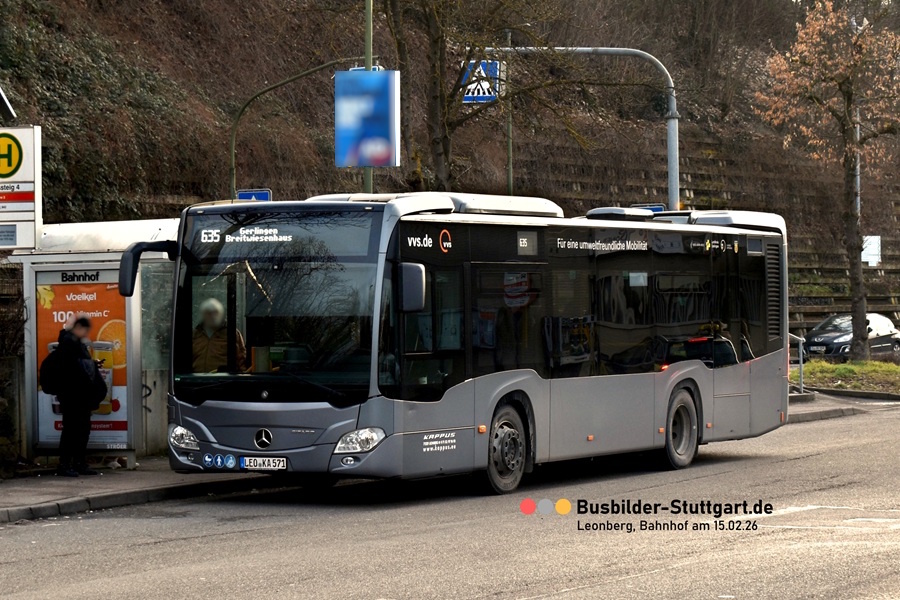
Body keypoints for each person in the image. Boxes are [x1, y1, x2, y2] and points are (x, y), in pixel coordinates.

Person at [56, 316, 101, 477]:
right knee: (73, 430)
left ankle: (77, 462)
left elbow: (79, 364)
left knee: (80, 429)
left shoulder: (74, 342)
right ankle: (67, 464)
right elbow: (72, 367)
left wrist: (92, 364)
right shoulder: (68, 342)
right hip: (73, 394)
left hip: (79, 394)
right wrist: (90, 365)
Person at [192, 298, 246, 372]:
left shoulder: (231, 333)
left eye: (215, 312)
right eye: (208, 313)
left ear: (221, 314)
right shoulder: (195, 334)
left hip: (222, 378)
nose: (212, 316)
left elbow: (241, 359)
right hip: (196, 377)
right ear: (203, 315)